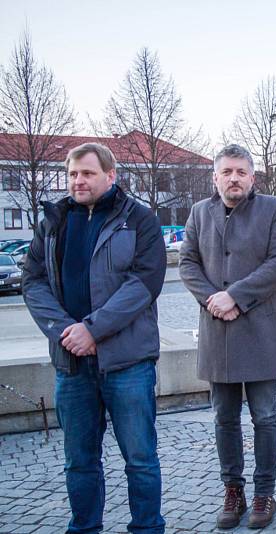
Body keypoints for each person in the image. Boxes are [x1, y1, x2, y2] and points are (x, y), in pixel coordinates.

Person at [23, 142, 167, 534]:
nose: (78, 180)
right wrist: (65, 333)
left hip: (127, 363)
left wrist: (93, 329)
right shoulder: (54, 220)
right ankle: (84, 528)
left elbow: (144, 283)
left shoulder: (139, 219)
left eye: (87, 173)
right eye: (72, 174)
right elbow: (33, 281)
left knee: (140, 458)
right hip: (72, 364)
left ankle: (147, 528)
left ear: (111, 175)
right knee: (79, 461)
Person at [179, 144, 276, 530]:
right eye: (227, 172)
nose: (234, 178)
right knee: (224, 417)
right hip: (218, 330)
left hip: (260, 329)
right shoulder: (199, 212)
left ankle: (264, 492)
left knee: (265, 416)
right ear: (215, 177)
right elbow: (188, 263)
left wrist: (236, 297)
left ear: (252, 176)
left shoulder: (274, 209)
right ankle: (234, 490)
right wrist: (214, 300)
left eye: (241, 172)